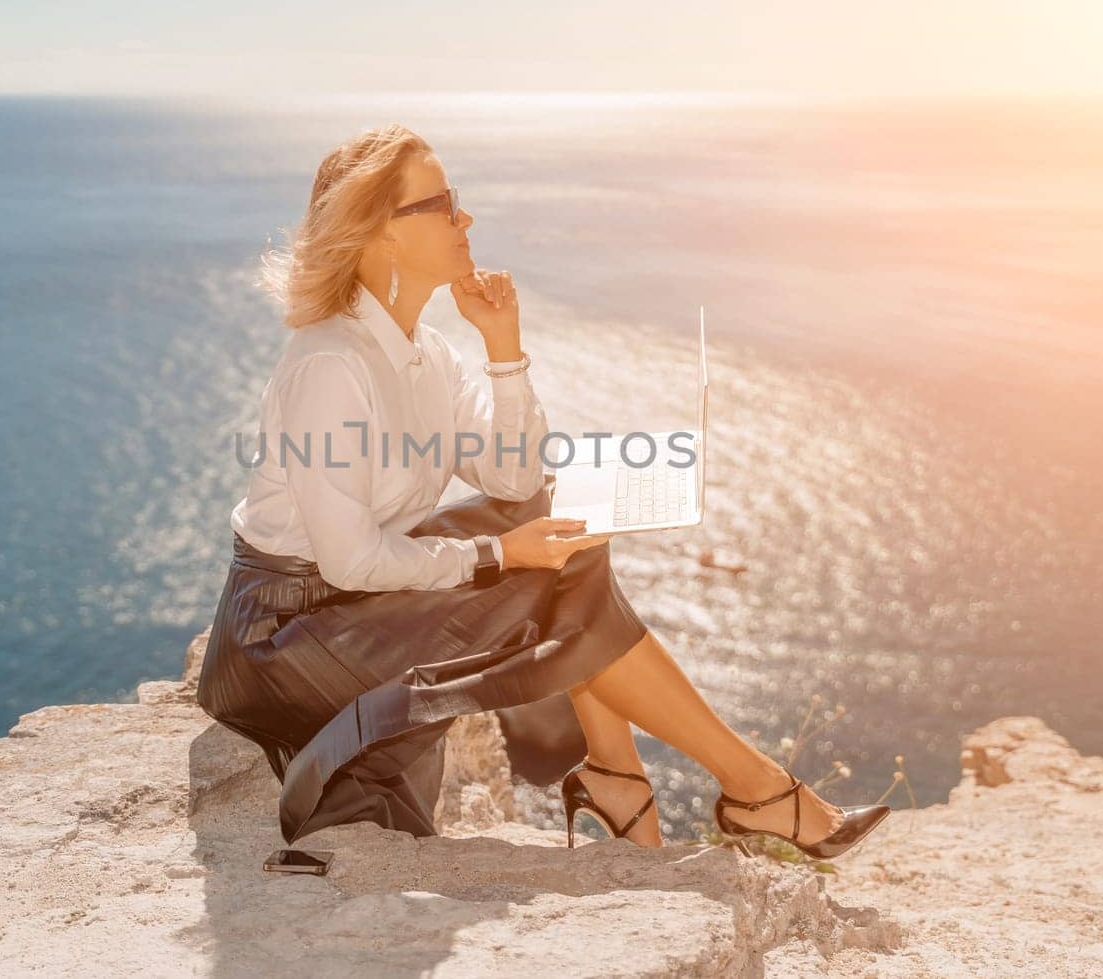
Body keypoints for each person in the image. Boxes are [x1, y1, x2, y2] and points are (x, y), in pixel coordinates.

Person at [195, 123, 888, 856]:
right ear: (379, 232)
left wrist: (503, 347)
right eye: (441, 203)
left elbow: (514, 477)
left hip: (348, 601)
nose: (465, 218)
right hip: (284, 635)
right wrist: (497, 554)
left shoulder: (424, 354)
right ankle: (735, 787)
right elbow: (349, 563)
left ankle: (641, 777)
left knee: (562, 521)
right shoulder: (332, 364)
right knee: (542, 554)